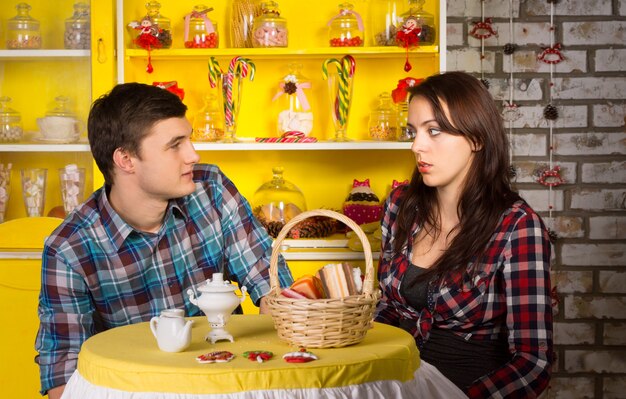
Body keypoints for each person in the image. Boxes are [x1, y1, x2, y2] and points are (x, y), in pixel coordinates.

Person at [35, 83, 294, 398]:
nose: (193, 155)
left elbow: (274, 288)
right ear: (126, 160)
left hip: (223, 384)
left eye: (190, 138)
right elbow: (64, 376)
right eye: (176, 145)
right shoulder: (69, 249)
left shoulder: (211, 189)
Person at [374, 71, 553, 398]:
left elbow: (532, 362)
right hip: (393, 386)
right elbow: (386, 311)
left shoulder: (516, 227)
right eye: (413, 132)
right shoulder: (400, 206)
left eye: (434, 131)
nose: (416, 146)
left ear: (476, 138)